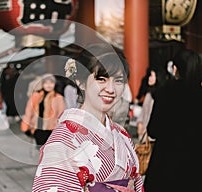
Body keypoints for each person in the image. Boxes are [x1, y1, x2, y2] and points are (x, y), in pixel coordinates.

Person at [32, 43, 144, 191]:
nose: (111, 89)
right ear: (81, 82)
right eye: (101, 79)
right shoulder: (62, 140)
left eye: (118, 80)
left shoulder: (122, 134)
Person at [144, 48, 202, 192]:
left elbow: (153, 130)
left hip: (165, 163)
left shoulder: (165, 92)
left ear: (176, 68)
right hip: (196, 166)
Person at [20, 73, 66, 147]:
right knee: (40, 149)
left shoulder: (58, 97)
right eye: (46, 82)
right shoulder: (36, 95)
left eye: (51, 82)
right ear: (42, 84)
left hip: (51, 130)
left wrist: (59, 130)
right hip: (37, 128)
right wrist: (25, 126)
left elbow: (62, 114)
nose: (48, 85)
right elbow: (28, 112)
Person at [136, 67, 166, 142]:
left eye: (152, 76)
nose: (149, 78)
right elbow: (143, 110)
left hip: (152, 135)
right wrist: (140, 123)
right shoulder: (149, 93)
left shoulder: (160, 96)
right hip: (144, 134)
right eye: (149, 75)